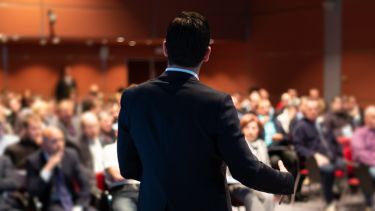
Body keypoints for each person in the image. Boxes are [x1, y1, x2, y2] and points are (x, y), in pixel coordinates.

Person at [117, 11, 294, 211]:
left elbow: (128, 166)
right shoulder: (218, 103)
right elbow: (245, 170)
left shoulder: (133, 98)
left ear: (165, 48)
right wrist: (284, 181)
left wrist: (161, 179)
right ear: (207, 53)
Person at [292, 98, 344, 211]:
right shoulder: (300, 126)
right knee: (329, 169)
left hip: (332, 157)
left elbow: (334, 142)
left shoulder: (322, 124)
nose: (313, 111)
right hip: (312, 161)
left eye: (315, 109)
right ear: (305, 111)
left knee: (349, 166)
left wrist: (339, 154)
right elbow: (298, 147)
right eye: (310, 109)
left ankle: (337, 193)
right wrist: (315, 155)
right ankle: (329, 202)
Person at [26, 126, 92, 211]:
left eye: (61, 140)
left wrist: (79, 206)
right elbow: (33, 191)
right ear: (44, 143)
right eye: (54, 141)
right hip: (51, 204)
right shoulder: (34, 161)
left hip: (74, 202)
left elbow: (85, 183)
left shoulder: (71, 155)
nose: (60, 144)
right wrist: (48, 168)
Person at [228, 114, 274, 211]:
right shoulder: (236, 145)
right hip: (238, 185)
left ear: (259, 130)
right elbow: (230, 173)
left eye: (254, 128)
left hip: (259, 184)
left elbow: (268, 166)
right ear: (242, 129)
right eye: (247, 127)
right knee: (251, 197)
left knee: (269, 196)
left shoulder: (262, 144)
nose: (250, 131)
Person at [103, 124, 139, 211]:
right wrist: (138, 172)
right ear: (116, 132)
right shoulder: (108, 149)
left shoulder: (138, 147)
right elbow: (116, 175)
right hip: (122, 192)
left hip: (142, 189)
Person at [351, 105, 375, 210]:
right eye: (373, 116)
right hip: (364, 166)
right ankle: (369, 204)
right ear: (366, 118)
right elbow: (360, 154)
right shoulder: (359, 133)